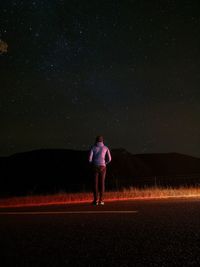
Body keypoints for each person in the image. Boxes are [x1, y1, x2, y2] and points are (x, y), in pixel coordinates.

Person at [88, 135, 111, 205]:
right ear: (102, 140)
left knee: (95, 184)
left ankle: (95, 201)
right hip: (103, 166)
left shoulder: (93, 147)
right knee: (102, 183)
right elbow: (110, 159)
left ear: (96, 140)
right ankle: (101, 200)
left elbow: (89, 159)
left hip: (95, 166)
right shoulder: (106, 148)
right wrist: (105, 163)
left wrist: (93, 163)